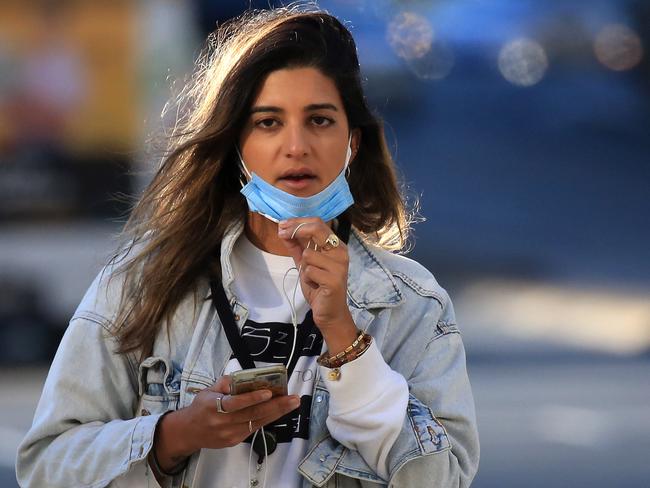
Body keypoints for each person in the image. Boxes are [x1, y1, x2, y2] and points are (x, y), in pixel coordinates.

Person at [16, 6, 479, 488]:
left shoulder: (412, 303)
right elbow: (46, 465)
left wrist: (345, 338)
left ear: (353, 143)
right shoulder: (141, 282)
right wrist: (173, 437)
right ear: (235, 144)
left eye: (319, 120)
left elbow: (441, 478)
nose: (296, 146)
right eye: (268, 122)